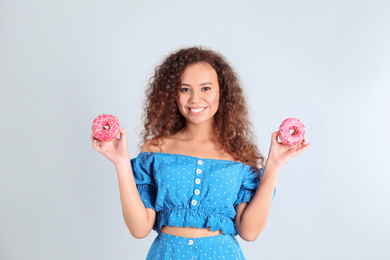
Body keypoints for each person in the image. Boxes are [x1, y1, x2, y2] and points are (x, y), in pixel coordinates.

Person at [91, 46, 311, 259]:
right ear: (173, 95)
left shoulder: (239, 156)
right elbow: (139, 229)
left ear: (221, 93)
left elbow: (250, 232)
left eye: (206, 88)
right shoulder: (155, 149)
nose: (195, 99)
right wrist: (120, 163)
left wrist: (274, 166)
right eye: (185, 89)